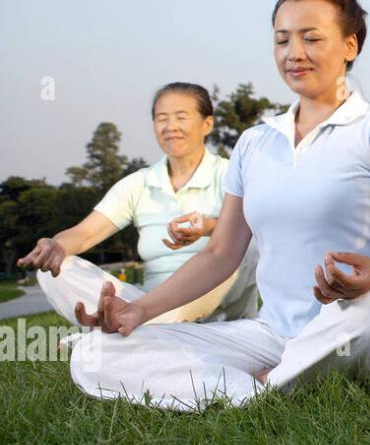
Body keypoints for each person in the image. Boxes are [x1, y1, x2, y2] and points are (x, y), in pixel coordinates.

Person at [67, 0, 370, 410]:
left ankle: (257, 383)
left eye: (311, 39)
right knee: (95, 352)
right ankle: (260, 387)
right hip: (271, 334)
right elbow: (220, 254)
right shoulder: (255, 142)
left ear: (350, 46)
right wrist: (139, 311)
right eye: (282, 41)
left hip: (364, 321)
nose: (294, 54)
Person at [18, 83, 259, 326]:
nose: (170, 127)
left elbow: (258, 230)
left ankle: (136, 327)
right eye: (161, 118)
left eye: (181, 117)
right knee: (55, 270)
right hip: (146, 305)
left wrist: (210, 227)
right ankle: (134, 323)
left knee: (243, 246)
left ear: (207, 124)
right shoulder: (139, 183)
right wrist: (57, 245)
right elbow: (85, 233)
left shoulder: (231, 174)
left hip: (218, 317)